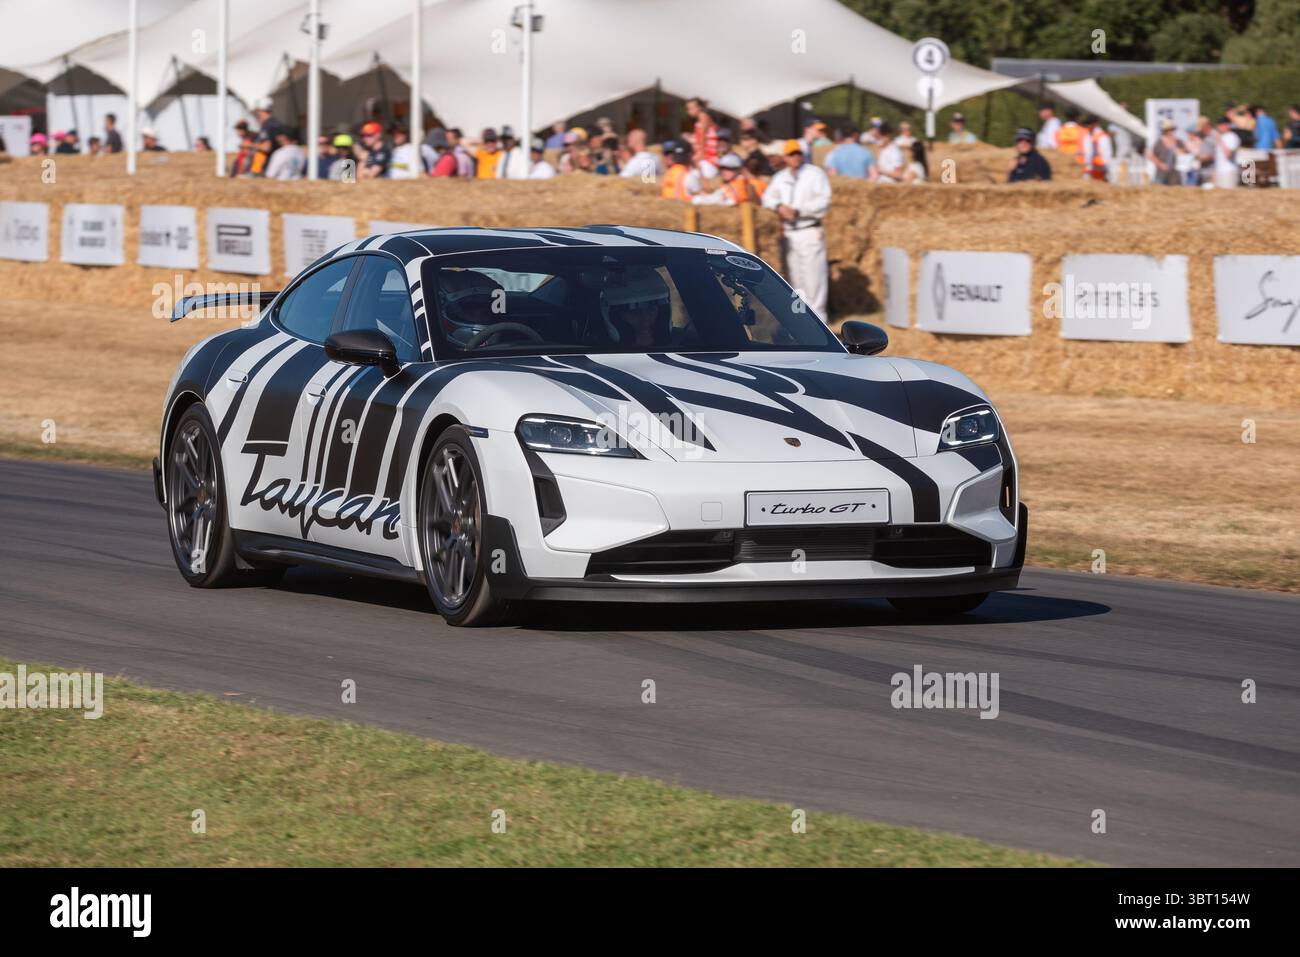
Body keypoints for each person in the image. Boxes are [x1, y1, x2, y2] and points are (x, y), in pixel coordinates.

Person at [762, 140, 831, 319]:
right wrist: (779, 207)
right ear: (785, 157)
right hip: (789, 233)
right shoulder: (780, 177)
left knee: (813, 278)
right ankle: (801, 320)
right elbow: (767, 197)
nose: (795, 157)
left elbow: (823, 201)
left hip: (809, 229)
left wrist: (799, 211)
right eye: (791, 154)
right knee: (795, 279)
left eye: (797, 153)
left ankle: (819, 320)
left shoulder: (815, 174)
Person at [693, 153, 759, 205]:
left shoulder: (740, 183)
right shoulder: (724, 182)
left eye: (730, 169)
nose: (725, 171)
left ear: (738, 170)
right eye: (722, 168)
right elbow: (708, 188)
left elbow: (732, 202)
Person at [685, 96, 719, 164]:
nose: (689, 111)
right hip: (703, 150)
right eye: (688, 109)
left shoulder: (703, 116)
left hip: (708, 153)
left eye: (691, 108)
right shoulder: (701, 118)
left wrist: (701, 153)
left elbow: (703, 136)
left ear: (699, 108)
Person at [1147, 120, 1181, 186]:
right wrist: (1160, 164)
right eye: (1169, 130)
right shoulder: (1159, 143)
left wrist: (1178, 151)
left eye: (1172, 129)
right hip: (1161, 173)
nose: (1171, 131)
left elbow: (1185, 153)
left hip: (1174, 174)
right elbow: (1150, 155)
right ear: (1164, 131)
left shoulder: (1178, 142)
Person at [1212, 115, 1241, 188]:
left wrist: (1220, 141)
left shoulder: (1232, 136)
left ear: (1226, 125)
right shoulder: (1222, 137)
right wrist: (1215, 172)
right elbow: (1218, 158)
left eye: (1220, 125)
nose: (1218, 127)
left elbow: (1228, 154)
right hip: (1220, 172)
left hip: (1229, 172)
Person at [1055, 108, 1086, 174]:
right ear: (1077, 117)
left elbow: (1055, 148)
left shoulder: (1058, 131)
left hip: (1063, 165)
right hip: (1079, 166)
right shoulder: (1083, 131)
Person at [1082, 115, 1112, 181]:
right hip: (1091, 169)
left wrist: (1107, 170)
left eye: (1089, 124)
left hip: (1100, 169)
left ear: (1095, 124)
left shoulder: (1102, 136)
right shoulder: (1089, 135)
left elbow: (1107, 154)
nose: (1088, 126)